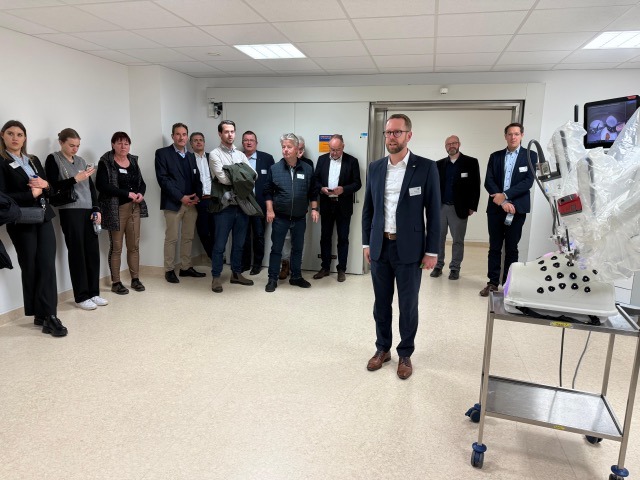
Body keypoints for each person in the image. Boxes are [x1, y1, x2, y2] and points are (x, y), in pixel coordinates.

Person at [362, 114, 440, 380]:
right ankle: (382, 348)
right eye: (388, 132)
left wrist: (432, 251)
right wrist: (366, 242)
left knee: (408, 305)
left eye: (397, 132)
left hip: (410, 249)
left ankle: (405, 353)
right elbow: (369, 209)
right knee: (381, 304)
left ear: (409, 135)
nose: (391, 137)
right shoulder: (375, 167)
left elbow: (434, 213)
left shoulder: (426, 167)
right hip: (380, 247)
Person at [0, 120, 67, 336]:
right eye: (10, 133)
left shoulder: (33, 160)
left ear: (25, 138)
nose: (15, 138)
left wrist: (45, 185)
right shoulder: (1, 162)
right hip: (21, 220)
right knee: (30, 266)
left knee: (47, 265)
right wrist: (30, 194)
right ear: (2, 136)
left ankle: (50, 315)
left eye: (19, 134)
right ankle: (39, 313)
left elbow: (49, 188)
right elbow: (3, 197)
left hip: (43, 216)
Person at [45, 128, 108, 311]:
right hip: (70, 211)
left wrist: (96, 208)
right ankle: (81, 296)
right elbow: (52, 187)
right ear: (61, 142)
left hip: (88, 210)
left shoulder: (81, 161)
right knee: (77, 252)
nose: (75, 149)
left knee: (92, 252)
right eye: (71, 145)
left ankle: (94, 293)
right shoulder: (53, 159)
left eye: (78, 145)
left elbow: (90, 187)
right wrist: (74, 179)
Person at [480, 122, 537, 297]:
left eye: (516, 134)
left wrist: (505, 195)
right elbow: (489, 181)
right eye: (510, 134)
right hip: (496, 209)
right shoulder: (495, 156)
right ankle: (492, 282)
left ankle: (508, 284)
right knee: (494, 247)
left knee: (512, 248)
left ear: (522, 136)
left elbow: (528, 182)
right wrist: (502, 201)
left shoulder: (530, 156)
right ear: (505, 136)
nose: (513, 137)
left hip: (517, 209)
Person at [264, 133, 319, 293]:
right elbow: (267, 191)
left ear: (297, 149)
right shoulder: (275, 169)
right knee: (277, 249)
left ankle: (296, 277)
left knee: (297, 249)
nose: (285, 150)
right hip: (280, 217)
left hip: (300, 217)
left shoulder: (307, 169)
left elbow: (313, 192)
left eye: (289, 147)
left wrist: (314, 209)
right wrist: (269, 210)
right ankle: (272, 279)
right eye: (283, 147)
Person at [96, 131, 148, 295]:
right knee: (117, 247)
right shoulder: (106, 162)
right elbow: (102, 185)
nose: (123, 146)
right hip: (115, 208)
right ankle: (116, 282)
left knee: (134, 246)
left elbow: (142, 183)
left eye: (126, 143)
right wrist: (126, 194)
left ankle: (135, 279)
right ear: (113, 144)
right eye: (119, 143)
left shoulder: (133, 160)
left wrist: (140, 193)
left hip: (134, 208)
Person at [155, 122, 205, 283]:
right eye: (178, 134)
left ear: (187, 137)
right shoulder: (163, 154)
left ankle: (185, 267)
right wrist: (180, 197)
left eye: (184, 134)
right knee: (172, 237)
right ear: (172, 136)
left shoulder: (190, 156)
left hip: (191, 203)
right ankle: (169, 270)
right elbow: (163, 180)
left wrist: (198, 195)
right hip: (173, 203)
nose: (181, 137)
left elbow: (197, 178)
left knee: (188, 237)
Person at [209, 120, 256, 292]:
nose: (230, 134)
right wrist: (241, 173)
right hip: (224, 207)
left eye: (232, 131)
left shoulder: (241, 155)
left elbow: (253, 176)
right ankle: (216, 277)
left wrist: (233, 171)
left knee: (239, 244)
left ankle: (236, 274)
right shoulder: (214, 154)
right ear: (220, 134)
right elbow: (223, 179)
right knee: (219, 245)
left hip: (241, 206)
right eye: (226, 131)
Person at [431, 135, 480, 280]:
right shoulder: (438, 164)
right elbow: (434, 187)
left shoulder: (471, 162)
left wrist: (472, 206)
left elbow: (475, 185)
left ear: (459, 144)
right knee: (438, 239)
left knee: (458, 240)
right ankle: (438, 265)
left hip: (459, 208)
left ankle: (455, 268)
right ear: (445, 147)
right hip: (441, 207)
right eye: (448, 144)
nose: (451, 146)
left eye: (454, 143)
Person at [313, 134, 361, 282]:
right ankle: (325, 268)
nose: (334, 153)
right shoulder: (322, 160)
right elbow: (315, 180)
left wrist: (344, 189)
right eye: (332, 149)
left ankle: (342, 269)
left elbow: (357, 183)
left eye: (337, 150)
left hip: (343, 206)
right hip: (326, 204)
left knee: (343, 238)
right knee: (325, 237)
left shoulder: (352, 161)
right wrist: (321, 189)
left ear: (343, 147)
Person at [278, 135, 313, 280]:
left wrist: (313, 208)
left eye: (301, 148)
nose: (299, 151)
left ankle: (296, 269)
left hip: (300, 211)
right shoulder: (283, 164)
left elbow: (311, 188)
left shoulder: (308, 165)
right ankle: (285, 265)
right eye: (285, 147)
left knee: (299, 240)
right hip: (285, 212)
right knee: (286, 239)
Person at [241, 130, 274, 275]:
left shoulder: (267, 158)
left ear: (256, 143)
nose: (249, 142)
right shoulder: (237, 157)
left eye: (251, 140)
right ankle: (245, 263)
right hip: (242, 203)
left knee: (259, 235)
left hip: (259, 204)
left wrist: (270, 205)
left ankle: (257, 264)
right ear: (242, 143)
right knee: (243, 235)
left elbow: (272, 183)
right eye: (246, 140)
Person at [190, 132, 215, 260]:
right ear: (191, 144)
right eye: (195, 140)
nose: (198, 142)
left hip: (214, 200)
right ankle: (213, 256)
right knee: (203, 231)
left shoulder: (212, 157)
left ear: (204, 142)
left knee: (216, 230)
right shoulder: (188, 159)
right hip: (199, 201)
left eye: (201, 140)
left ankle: (217, 256)